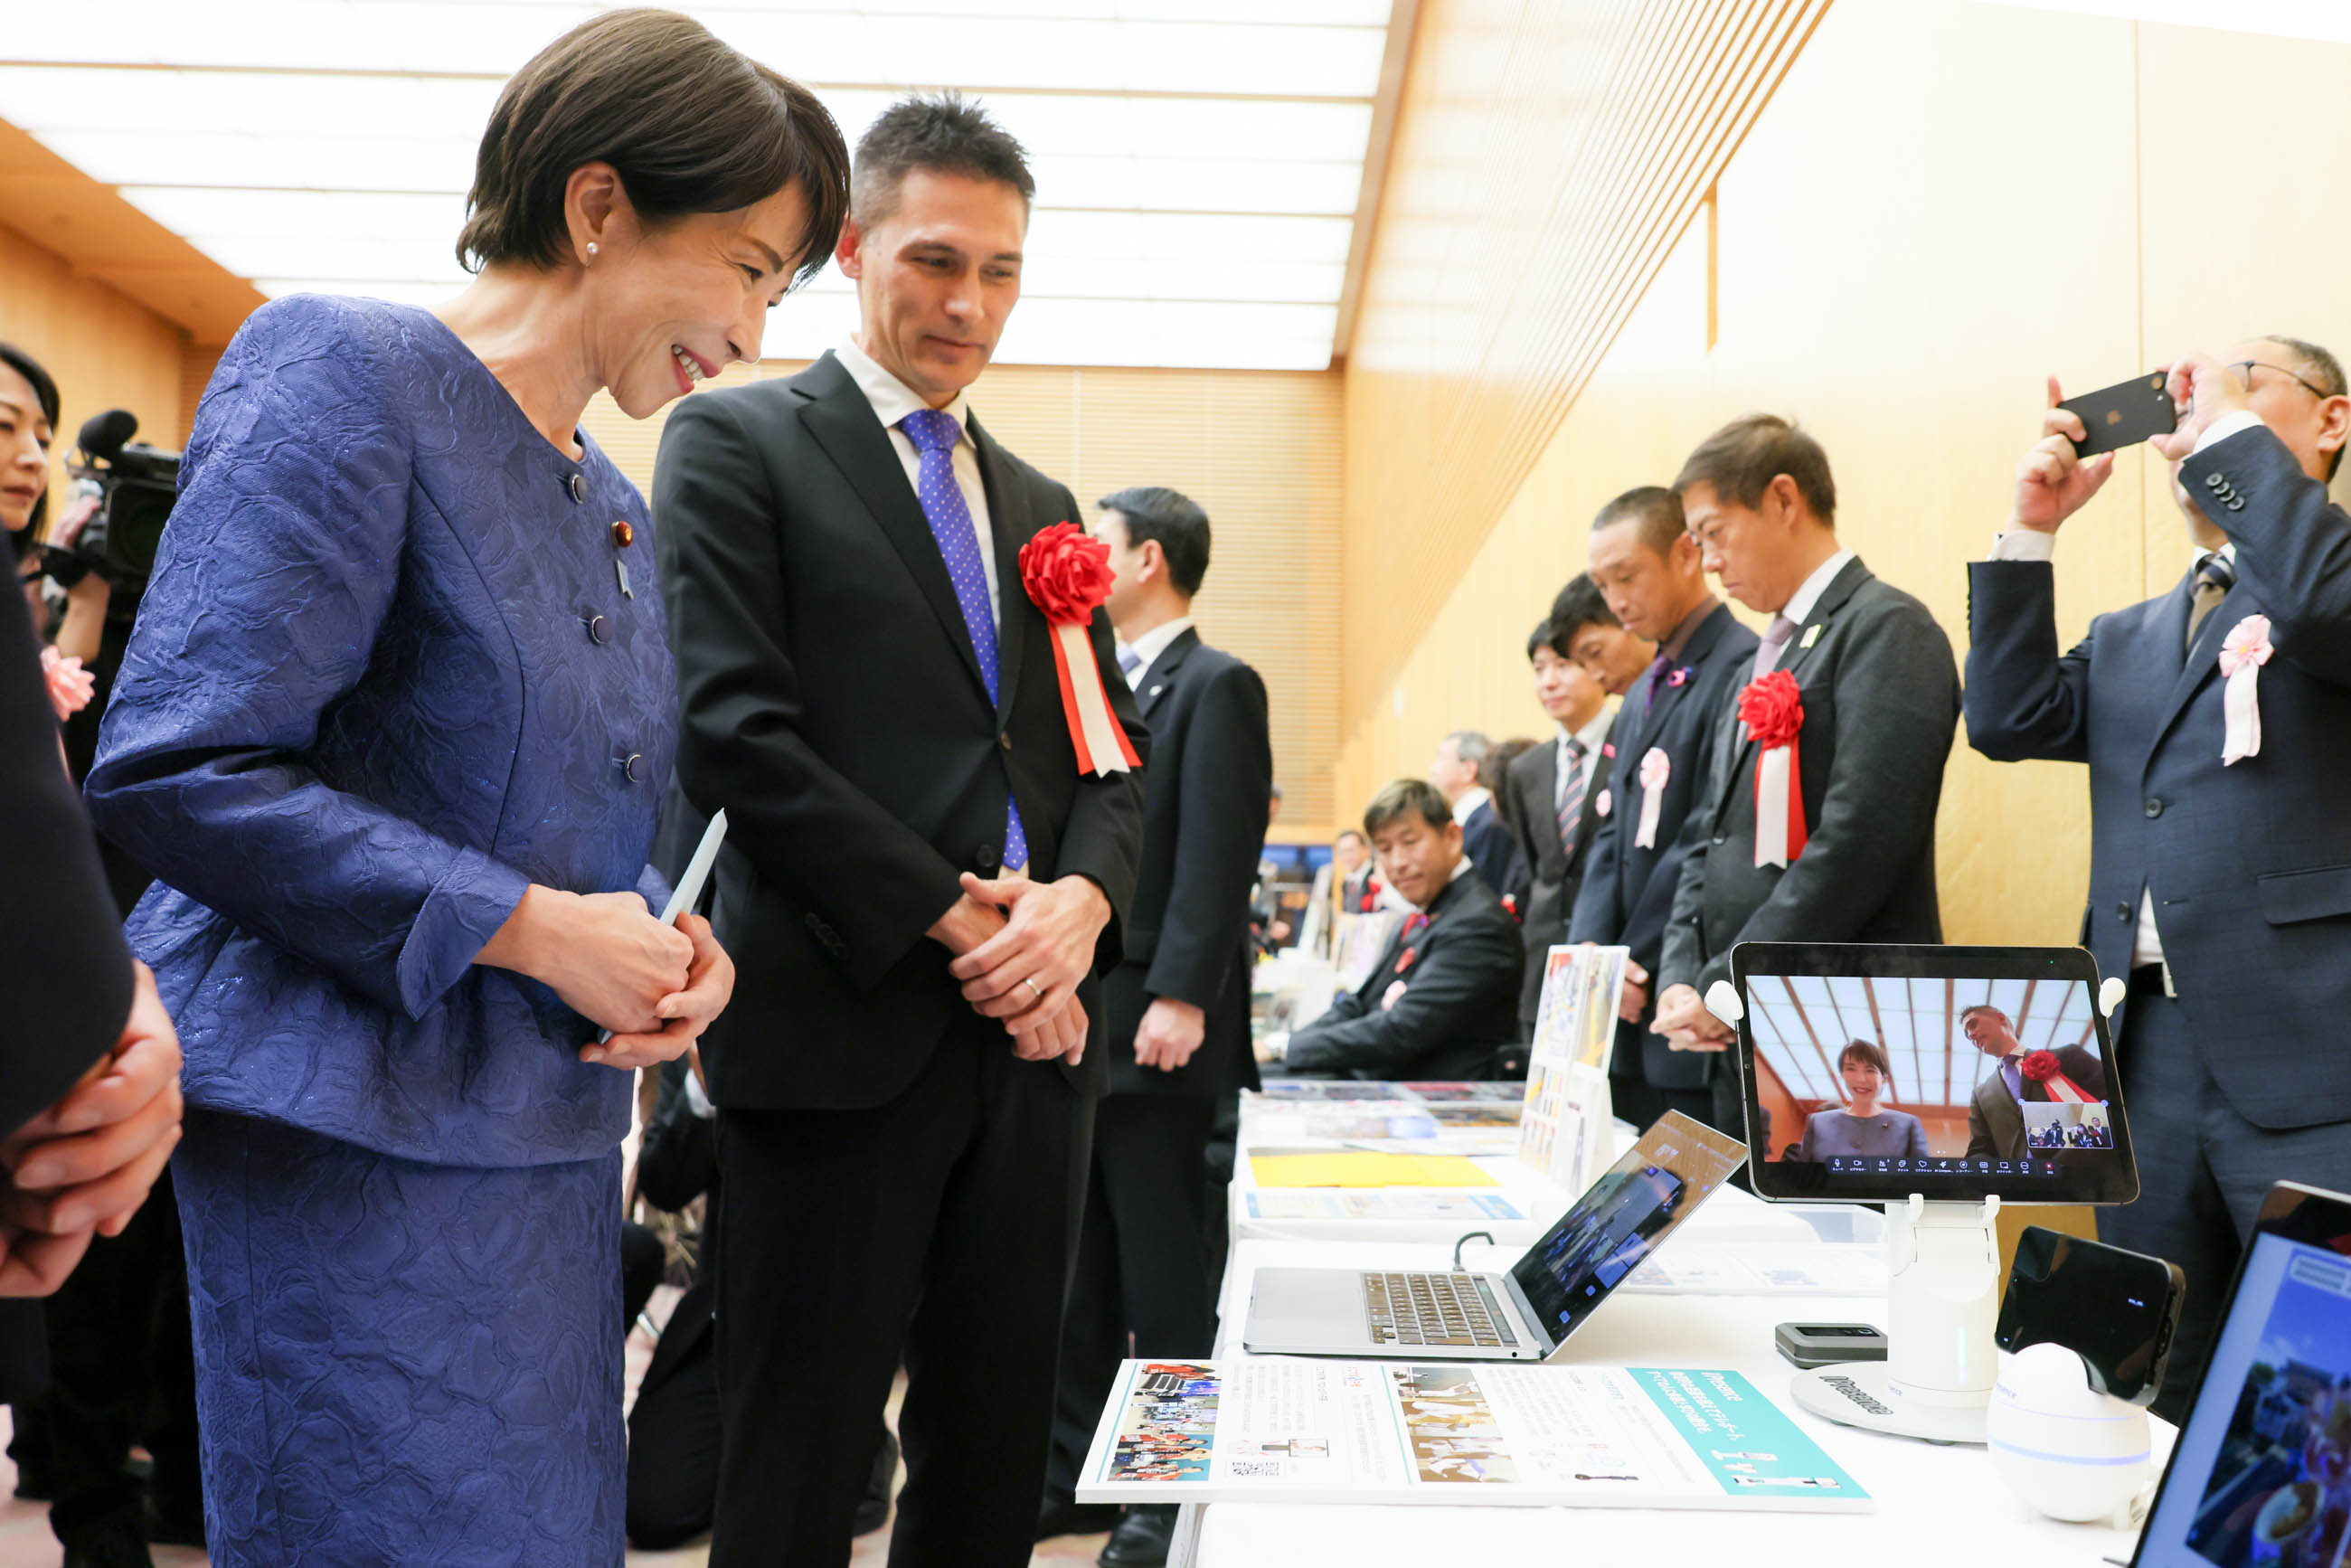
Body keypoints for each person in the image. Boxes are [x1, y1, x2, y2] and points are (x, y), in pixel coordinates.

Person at [86, 14, 824, 1561]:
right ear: (599, 204)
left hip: (543, 1152)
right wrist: (540, 929)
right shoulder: (345, 368)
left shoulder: (609, 498)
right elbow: (179, 758)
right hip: (346, 1149)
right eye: (751, 267)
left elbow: (566, 816)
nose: (755, 331)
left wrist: (664, 943)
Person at [651, 94, 1148, 1568]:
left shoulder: (1044, 503)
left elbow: (1112, 763)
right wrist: (964, 916)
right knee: (797, 1463)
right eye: (935, 260)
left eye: (1001, 271)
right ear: (857, 248)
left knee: (992, 1463)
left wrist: (1081, 908)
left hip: (1034, 1052)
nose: (968, 303)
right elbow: (734, 734)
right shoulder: (736, 440)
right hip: (838, 1023)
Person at [1964, 339, 2351, 1421]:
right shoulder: (2130, 634)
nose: (2192, 408)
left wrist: (2224, 434)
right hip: (2141, 1056)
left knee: (2314, 1383)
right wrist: (2031, 527)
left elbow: (2319, 603)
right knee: (2133, 1377)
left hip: (2311, 1057)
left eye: (2238, 381)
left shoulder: (2329, 587)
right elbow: (2005, 718)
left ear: (2329, 423)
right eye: (2188, 397)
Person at [1044, 486, 1271, 1565]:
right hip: (1085, 1018)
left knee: (1165, 1276)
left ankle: (1166, 1491)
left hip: (1161, 1027)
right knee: (1083, 1265)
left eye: (1103, 543)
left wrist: (1182, 994)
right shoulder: (1097, 677)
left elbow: (1218, 856)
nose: (1086, 561)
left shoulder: (1216, 683)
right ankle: (1070, 1475)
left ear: (1147, 561)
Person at [1650, 416, 1961, 1137]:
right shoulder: (1763, 657)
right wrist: (1683, 977)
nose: (1709, 562)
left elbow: (1861, 840)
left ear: (1784, 500)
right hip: (1743, 1022)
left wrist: (1730, 978)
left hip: (1842, 1023)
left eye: (1714, 534)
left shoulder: (1886, 628)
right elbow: (1708, 837)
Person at [1568, 486, 1760, 1133]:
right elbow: (1611, 833)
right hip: (1622, 999)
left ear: (1685, 553)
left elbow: (1707, 837)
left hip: (1681, 988)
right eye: (1603, 585)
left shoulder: (1739, 663)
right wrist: (1596, 954)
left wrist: (1642, 960)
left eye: (1627, 577)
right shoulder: (1641, 689)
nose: (1617, 599)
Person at [1282, 779, 1522, 1082]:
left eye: (1410, 843)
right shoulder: (1426, 913)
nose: (1398, 862)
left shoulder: (1478, 924)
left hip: (1437, 1098)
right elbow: (1358, 1005)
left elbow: (1401, 1030)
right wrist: (1286, 1046)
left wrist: (1288, 1048)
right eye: (1384, 849)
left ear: (1452, 837)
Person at [1502, 607, 1613, 1044]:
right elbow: (1539, 870)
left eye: (1563, 665)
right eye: (1539, 668)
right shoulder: (1525, 770)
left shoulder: (1636, 746)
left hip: (1612, 965)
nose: (1549, 681)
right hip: (1546, 973)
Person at [1958, 1004, 2110, 1163]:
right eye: (1967, 1035)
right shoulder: (1980, 1096)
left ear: (2000, 1017)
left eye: (1972, 1024)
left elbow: (2114, 1102)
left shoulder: (2068, 1056)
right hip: (2020, 1177)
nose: (1971, 1035)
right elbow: (1979, 1150)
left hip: (2089, 1169)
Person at [1795, 1041, 1929, 1162]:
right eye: (1851, 1069)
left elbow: (1923, 1175)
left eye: (1870, 1070)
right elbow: (1801, 1176)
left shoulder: (1907, 1125)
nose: (1861, 1079)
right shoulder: (1818, 1122)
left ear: (1884, 1079)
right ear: (1842, 1074)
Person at [1429, 729, 1515, 894]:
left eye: (1441, 758)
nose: (1431, 769)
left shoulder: (1489, 824)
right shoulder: (1469, 818)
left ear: (1468, 770)